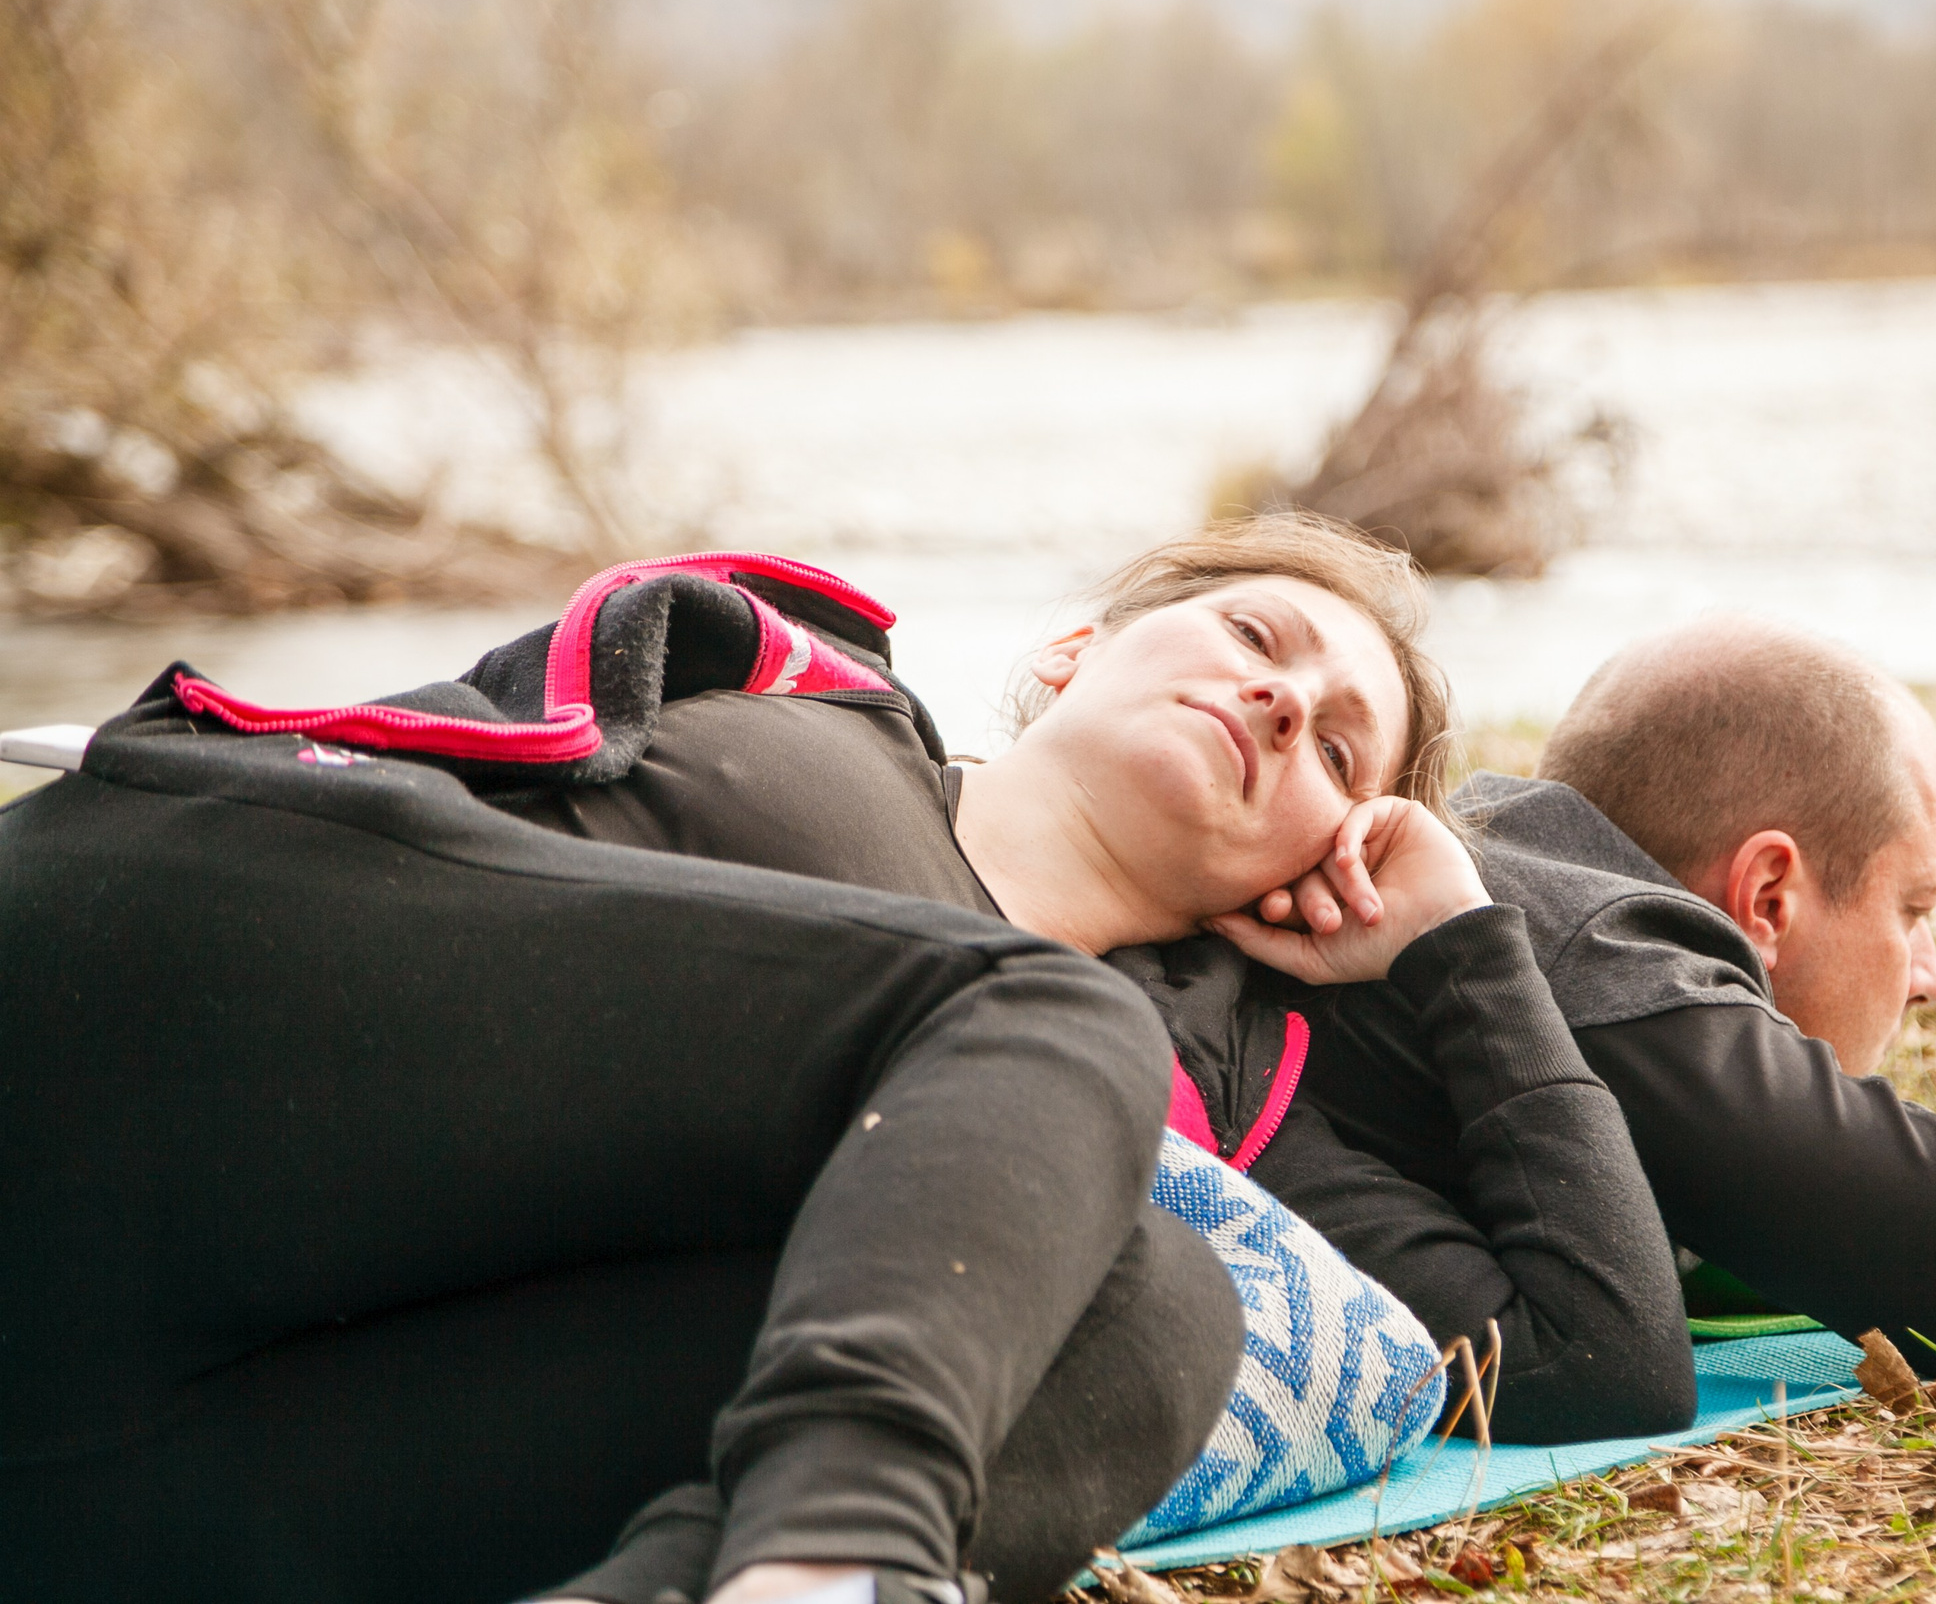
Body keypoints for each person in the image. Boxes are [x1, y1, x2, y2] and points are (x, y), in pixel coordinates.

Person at [0, 521, 1553, 1604]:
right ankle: (833, 1557)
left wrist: (1468, 952)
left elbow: (1590, 1344)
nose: (1287, 700)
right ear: (1075, 649)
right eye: (1256, 634)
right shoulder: (797, 686)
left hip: (128, 1447)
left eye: (1343, 749)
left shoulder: (1155, 1089)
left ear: (1312, 863)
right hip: (160, 1001)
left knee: (1155, 1315)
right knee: (1043, 1021)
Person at [1262, 614, 1936, 1378]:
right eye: (1913, 910)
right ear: (1767, 893)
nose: (1931, 977)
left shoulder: (1523, 890)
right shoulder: (1601, 957)